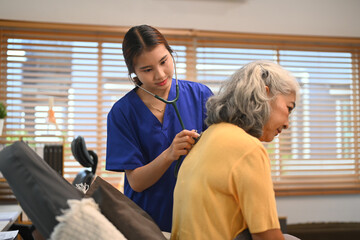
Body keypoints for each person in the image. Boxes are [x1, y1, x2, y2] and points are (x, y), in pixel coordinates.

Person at [171, 60, 301, 240]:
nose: (287, 124)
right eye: (289, 108)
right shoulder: (248, 148)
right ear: (265, 94)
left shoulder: (206, 138)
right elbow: (266, 237)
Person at [105, 25, 213, 232]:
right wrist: (170, 154)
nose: (160, 74)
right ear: (133, 73)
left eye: (164, 61)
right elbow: (135, 181)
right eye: (147, 70)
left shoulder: (200, 95)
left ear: (171, 54)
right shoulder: (122, 113)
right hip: (147, 224)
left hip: (196, 219)